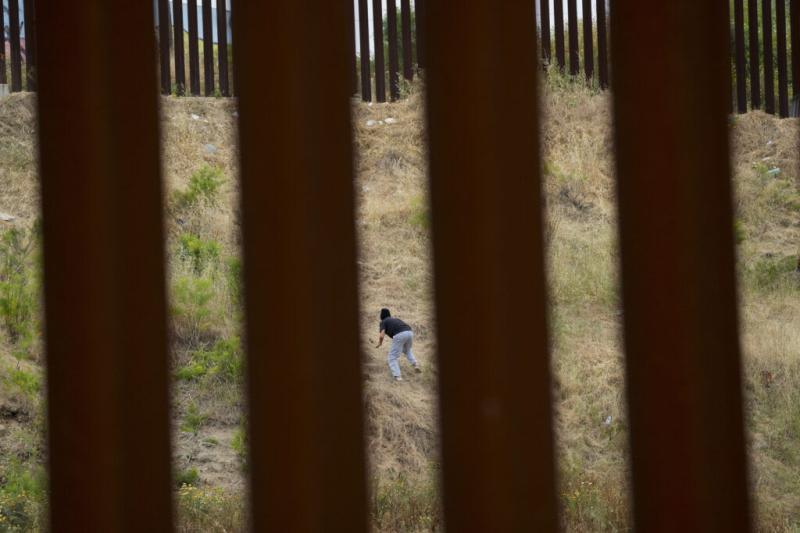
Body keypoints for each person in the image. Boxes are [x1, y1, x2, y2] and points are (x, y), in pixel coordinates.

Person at [375, 308, 421, 381]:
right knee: (407, 350)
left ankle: (398, 377)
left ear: (381, 315)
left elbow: (381, 335)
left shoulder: (383, 322)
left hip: (400, 334)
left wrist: (380, 343)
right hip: (409, 332)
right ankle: (416, 365)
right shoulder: (395, 319)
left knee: (392, 357)